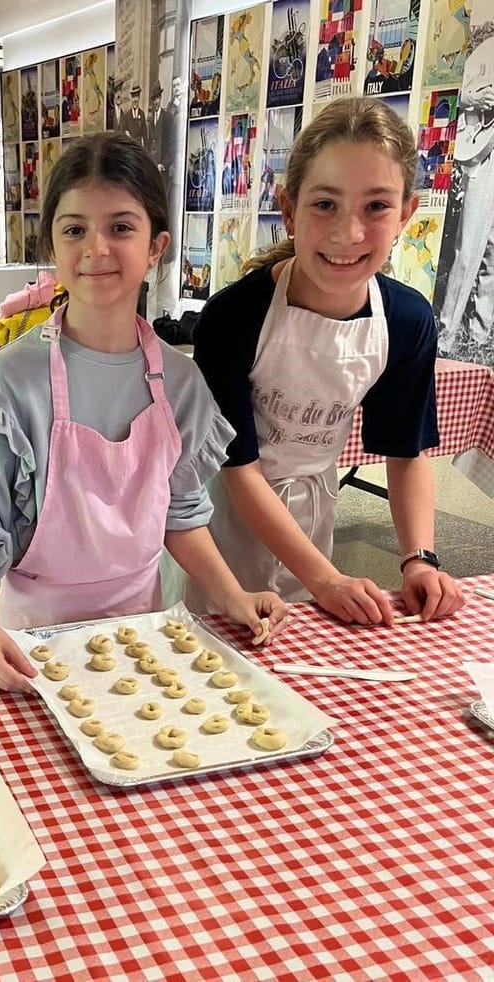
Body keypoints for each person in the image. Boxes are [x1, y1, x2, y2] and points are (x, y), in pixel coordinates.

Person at [0, 132, 287, 692]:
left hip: (146, 622)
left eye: (121, 227)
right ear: (52, 245)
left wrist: (230, 594)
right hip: (34, 636)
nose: (96, 248)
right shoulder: (5, 384)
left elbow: (180, 513)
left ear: (155, 246)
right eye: (74, 229)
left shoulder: (181, 383)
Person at [189, 96, 465, 626]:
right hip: (223, 515)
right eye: (325, 205)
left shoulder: (406, 321)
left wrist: (418, 558)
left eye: (376, 206)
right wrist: (325, 578)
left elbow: (406, 453)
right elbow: (238, 466)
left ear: (407, 213)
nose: (348, 233)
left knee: (299, 647)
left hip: (314, 507)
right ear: (288, 208)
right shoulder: (233, 318)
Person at [437, 28, 494, 357]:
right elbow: (450, 92)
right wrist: (474, 98)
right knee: (469, 248)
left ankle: (479, 333)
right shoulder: (485, 52)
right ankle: (446, 333)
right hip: (483, 155)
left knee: (492, 253)